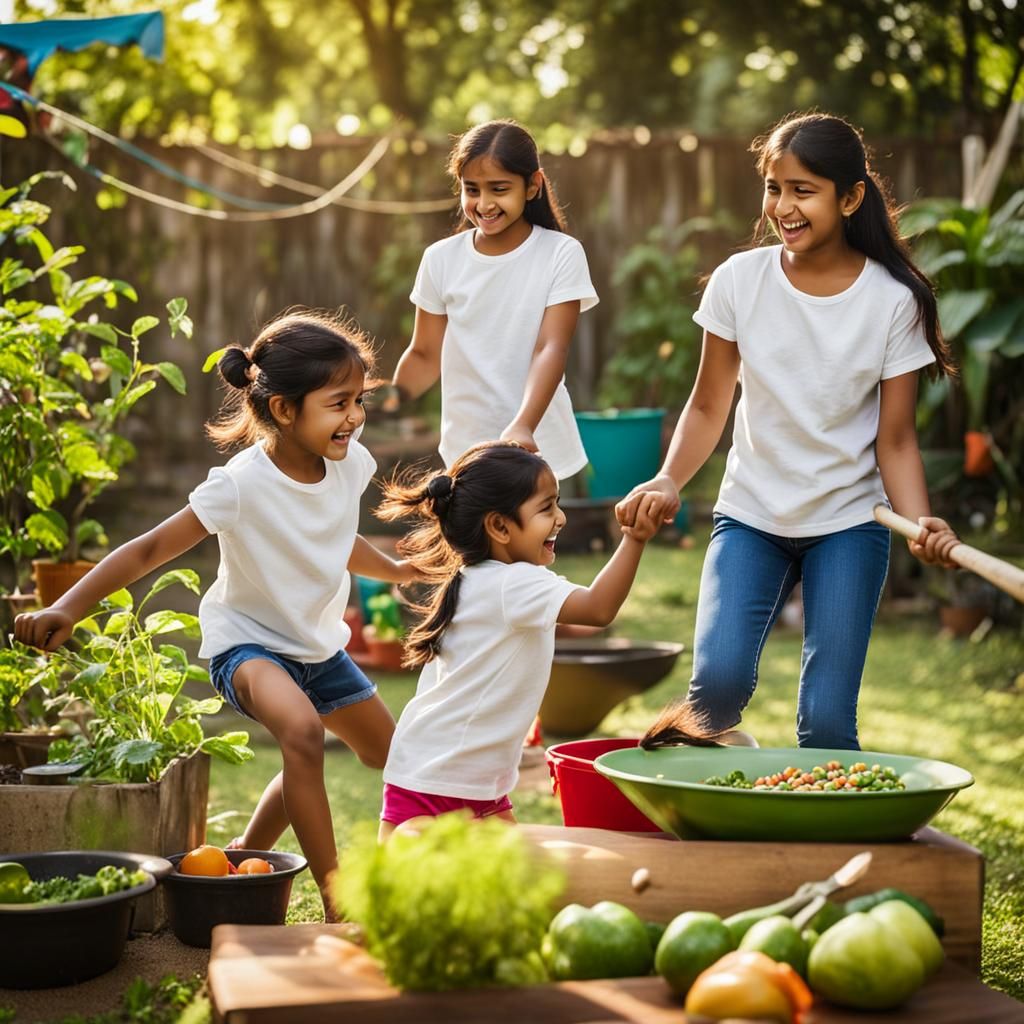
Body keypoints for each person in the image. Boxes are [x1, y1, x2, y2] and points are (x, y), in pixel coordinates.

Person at [14, 310, 414, 919]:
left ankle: (244, 856)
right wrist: (70, 605)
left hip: (319, 649)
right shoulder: (239, 485)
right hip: (248, 645)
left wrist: (402, 568)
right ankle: (338, 903)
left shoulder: (348, 463)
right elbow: (149, 547)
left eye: (359, 399)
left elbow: (337, 539)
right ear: (283, 409)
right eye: (339, 403)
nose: (355, 416)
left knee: (392, 755)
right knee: (302, 734)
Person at [616, 112, 960, 752]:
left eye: (804, 190)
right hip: (752, 514)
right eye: (775, 187)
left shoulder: (893, 300)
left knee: (827, 724)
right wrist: (668, 478)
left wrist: (922, 523)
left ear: (850, 197)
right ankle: (726, 786)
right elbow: (707, 404)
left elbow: (897, 440)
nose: (783, 205)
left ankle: (824, 845)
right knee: (712, 694)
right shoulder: (739, 281)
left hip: (850, 523)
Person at [373, 441, 662, 839]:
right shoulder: (513, 583)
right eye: (546, 508)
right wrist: (634, 539)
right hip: (443, 783)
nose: (560, 518)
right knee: (413, 892)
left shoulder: (477, 576)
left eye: (556, 504)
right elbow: (598, 609)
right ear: (499, 526)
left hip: (453, 777)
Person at [386, 118, 598, 483]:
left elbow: (551, 348)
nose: (483, 204)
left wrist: (523, 426)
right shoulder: (441, 259)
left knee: (531, 541)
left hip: (536, 444)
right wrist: (383, 406)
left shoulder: (560, 253)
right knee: (469, 542)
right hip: (465, 448)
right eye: (472, 189)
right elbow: (423, 354)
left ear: (533, 186)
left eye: (499, 189)